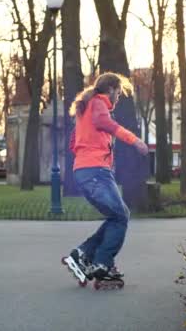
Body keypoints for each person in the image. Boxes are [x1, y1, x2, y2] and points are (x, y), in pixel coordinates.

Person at [64, 72, 148, 283]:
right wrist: (134, 140)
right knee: (121, 216)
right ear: (110, 89)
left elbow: (74, 141)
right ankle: (102, 262)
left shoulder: (86, 106)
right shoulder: (98, 102)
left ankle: (82, 254)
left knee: (115, 216)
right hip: (96, 172)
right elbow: (103, 122)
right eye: (118, 93)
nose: (118, 98)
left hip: (84, 172)